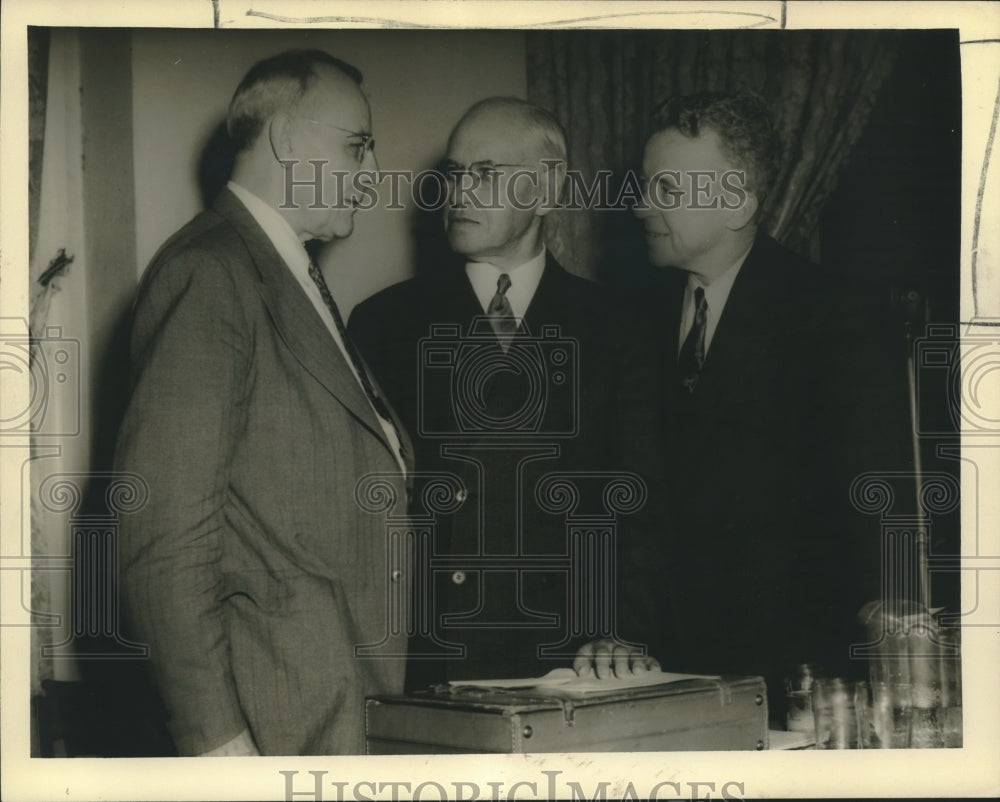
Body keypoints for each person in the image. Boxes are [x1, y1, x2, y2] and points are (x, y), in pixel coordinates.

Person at [114, 50, 412, 756]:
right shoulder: (210, 271)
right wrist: (216, 740)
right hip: (274, 725)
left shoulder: (282, 270)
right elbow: (162, 540)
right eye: (357, 145)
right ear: (285, 138)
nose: (372, 173)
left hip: (339, 706)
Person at [613, 89, 910, 712]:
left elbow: (873, 498)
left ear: (738, 202)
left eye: (665, 190)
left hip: (794, 679)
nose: (640, 205)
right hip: (663, 675)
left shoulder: (834, 314)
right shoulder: (632, 317)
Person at [349, 97, 657, 686]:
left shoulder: (617, 330)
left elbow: (640, 503)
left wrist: (621, 629)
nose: (460, 192)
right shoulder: (383, 324)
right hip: (427, 662)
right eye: (455, 174)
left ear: (545, 190)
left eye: (485, 174)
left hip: (572, 662)